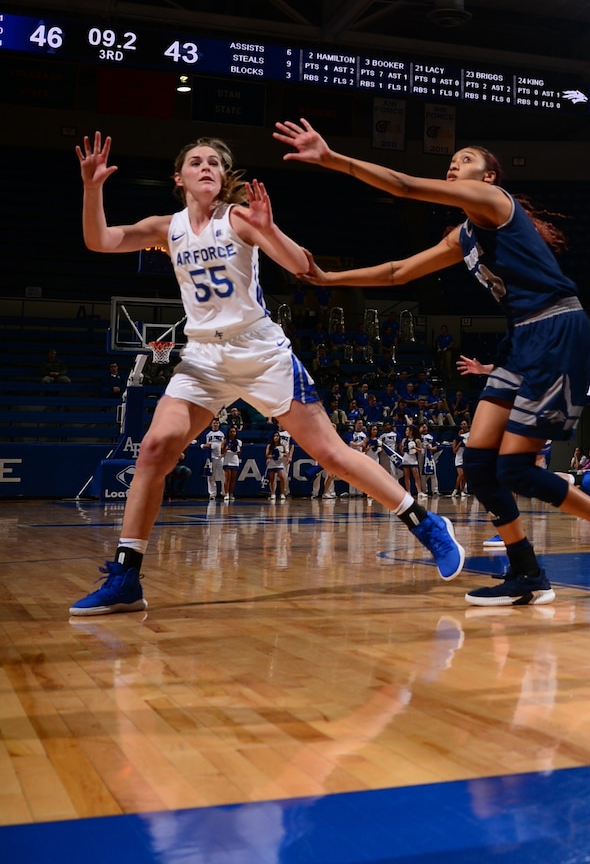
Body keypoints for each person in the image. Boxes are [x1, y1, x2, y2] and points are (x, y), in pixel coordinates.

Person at [69, 133, 463, 614]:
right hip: (202, 359)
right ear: (180, 178)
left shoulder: (238, 218)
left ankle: (425, 522)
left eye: (216, 161)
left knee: (332, 456)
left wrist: (269, 229)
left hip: (259, 352)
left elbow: (302, 267)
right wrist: (92, 188)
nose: (207, 166)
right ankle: (127, 576)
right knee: (154, 448)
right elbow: (100, 240)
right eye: (196, 161)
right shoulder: (164, 228)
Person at [274, 121, 590, 599]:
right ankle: (527, 573)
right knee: (477, 463)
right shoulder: (464, 235)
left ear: (489, 177)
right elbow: (398, 272)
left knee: (514, 469)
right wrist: (330, 279)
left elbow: (406, 185)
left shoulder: (497, 205)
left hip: (557, 329)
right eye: (451, 162)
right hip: (521, 338)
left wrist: (333, 158)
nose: (454, 164)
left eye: (466, 159)